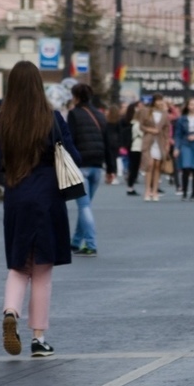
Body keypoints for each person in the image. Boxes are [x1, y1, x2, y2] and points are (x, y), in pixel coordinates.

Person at [0, 61, 81, 358]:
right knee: (42, 270)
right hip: (48, 198)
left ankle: (10, 312)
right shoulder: (53, 119)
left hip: (17, 198)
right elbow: (74, 157)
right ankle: (38, 338)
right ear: (38, 86)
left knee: (18, 265)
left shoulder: (0, 120)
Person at [66, 83, 115, 256]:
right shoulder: (100, 115)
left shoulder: (74, 114)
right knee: (85, 206)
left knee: (84, 206)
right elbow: (108, 143)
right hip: (97, 166)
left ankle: (91, 244)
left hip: (81, 166)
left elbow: (68, 141)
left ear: (76, 97)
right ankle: (76, 242)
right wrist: (111, 168)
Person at [139, 93, 172, 202]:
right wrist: (150, 130)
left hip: (160, 141)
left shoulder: (164, 113)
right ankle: (147, 190)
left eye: (161, 100)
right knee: (149, 164)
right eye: (158, 100)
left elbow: (167, 128)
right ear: (154, 101)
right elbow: (141, 126)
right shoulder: (146, 111)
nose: (160, 102)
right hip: (149, 140)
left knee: (158, 166)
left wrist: (167, 142)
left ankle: (155, 191)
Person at [120, 102, 143, 196]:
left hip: (131, 145)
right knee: (134, 167)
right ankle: (130, 186)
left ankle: (131, 185)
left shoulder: (127, 121)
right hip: (136, 146)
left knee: (132, 166)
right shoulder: (136, 123)